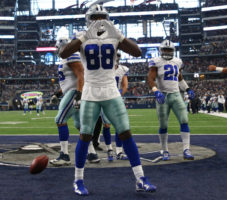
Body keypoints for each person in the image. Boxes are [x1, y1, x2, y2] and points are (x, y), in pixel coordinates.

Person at [59, 4, 156, 196]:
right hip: (90, 92)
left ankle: (140, 178)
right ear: (89, 19)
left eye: (102, 17)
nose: (99, 21)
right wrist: (85, 36)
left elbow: (137, 52)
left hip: (111, 91)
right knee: (85, 136)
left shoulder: (114, 34)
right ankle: (78, 180)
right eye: (95, 17)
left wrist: (119, 36)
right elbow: (63, 54)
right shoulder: (82, 35)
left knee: (126, 133)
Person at [147, 39, 195, 161]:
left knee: (184, 120)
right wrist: (156, 91)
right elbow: (150, 78)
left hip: (176, 94)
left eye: (169, 50)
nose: (167, 52)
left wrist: (188, 88)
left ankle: (186, 149)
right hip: (163, 95)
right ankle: (165, 150)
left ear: (173, 51)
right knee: (163, 124)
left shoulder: (178, 61)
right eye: (165, 49)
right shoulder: (156, 61)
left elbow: (179, 78)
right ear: (161, 50)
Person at [49, 36, 84, 166]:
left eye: (57, 46)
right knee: (80, 125)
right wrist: (58, 93)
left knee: (60, 120)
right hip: (70, 91)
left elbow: (81, 74)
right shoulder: (65, 57)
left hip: (73, 92)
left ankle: (64, 156)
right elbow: (68, 80)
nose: (56, 49)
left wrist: (79, 94)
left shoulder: (71, 55)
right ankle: (91, 153)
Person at [101, 52, 129, 161]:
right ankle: (109, 150)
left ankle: (119, 151)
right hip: (105, 98)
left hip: (116, 99)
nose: (116, 58)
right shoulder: (103, 68)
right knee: (106, 125)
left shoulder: (122, 69)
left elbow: (125, 86)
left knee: (119, 126)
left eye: (117, 56)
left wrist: (118, 94)